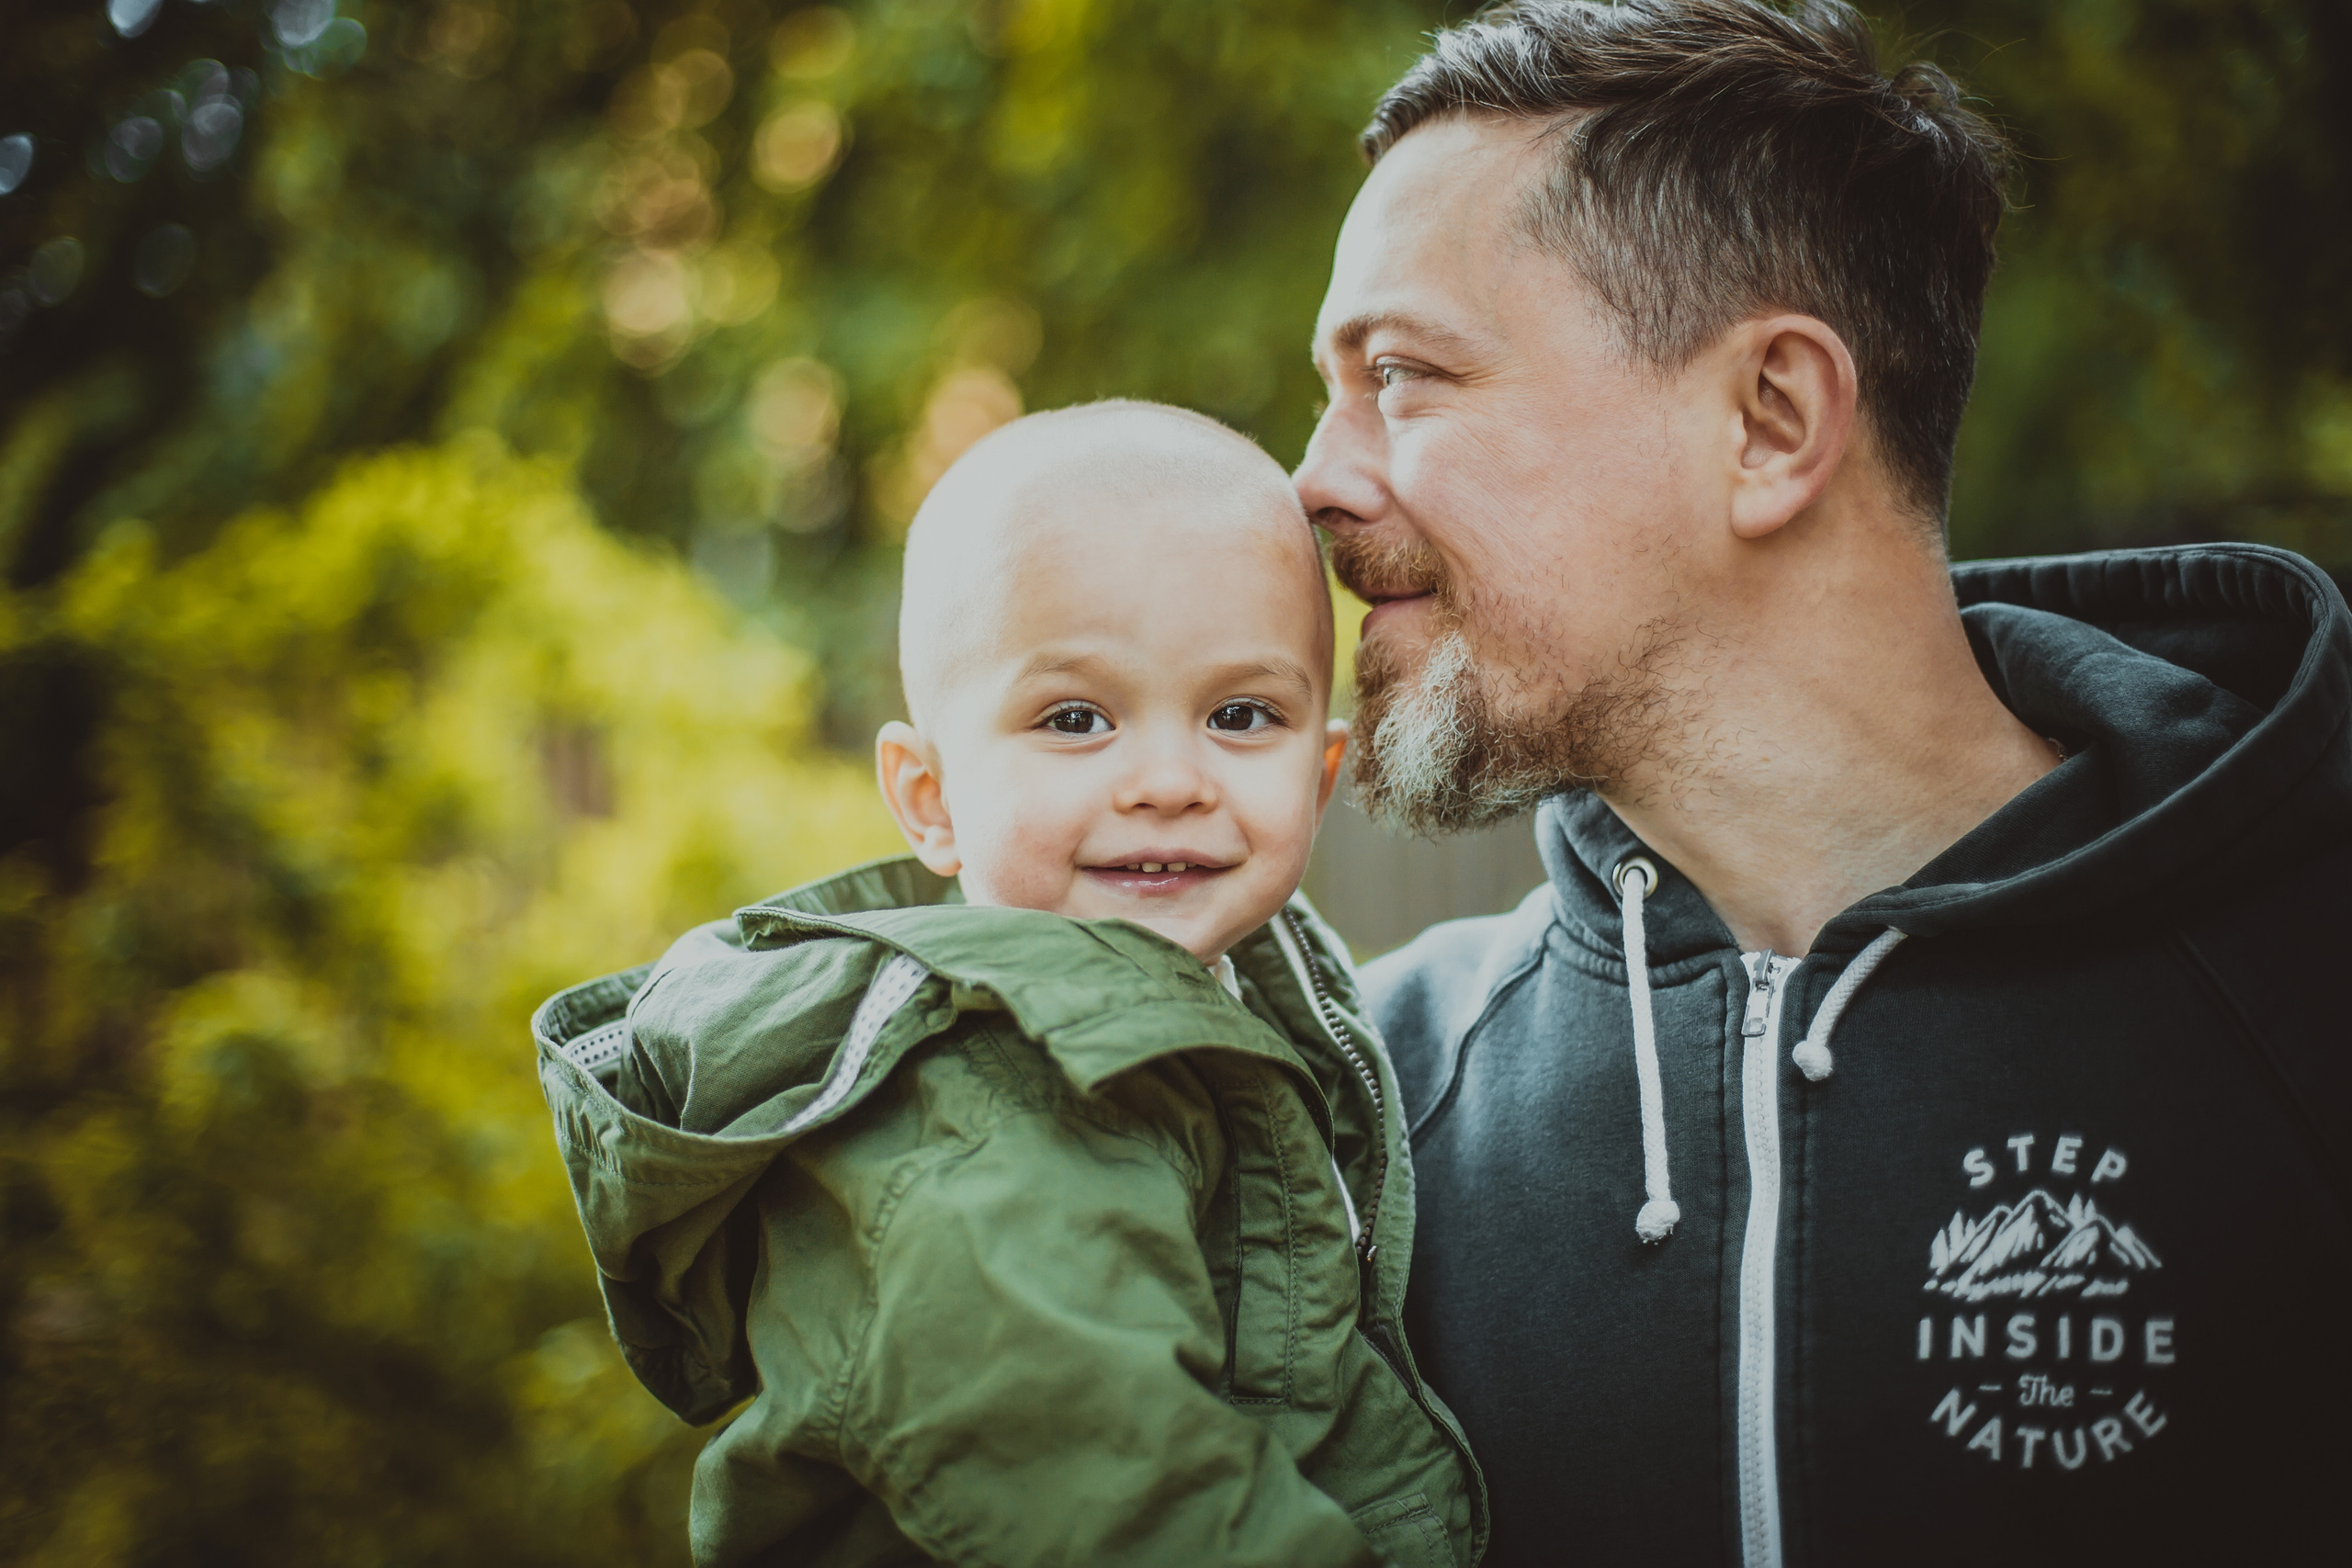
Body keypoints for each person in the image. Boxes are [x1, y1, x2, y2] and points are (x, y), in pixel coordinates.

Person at [1292, 2, 2352, 1564]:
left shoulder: (2312, 991)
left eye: (1406, 375)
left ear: (1771, 419)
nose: (1315, 476)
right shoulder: (1352, 1108)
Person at [532, 401, 1485, 1568]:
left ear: (1321, 772)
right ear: (928, 796)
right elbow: (1129, 1505)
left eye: (1241, 715)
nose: (1170, 779)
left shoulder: (1241, 997)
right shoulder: (970, 1115)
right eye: (1076, 719)